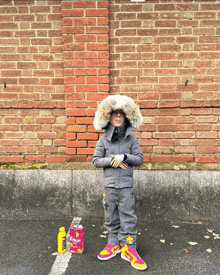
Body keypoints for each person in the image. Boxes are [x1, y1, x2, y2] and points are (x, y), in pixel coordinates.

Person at [92, 95, 147, 271]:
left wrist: (124, 157)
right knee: (111, 217)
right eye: (114, 114)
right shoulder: (103, 140)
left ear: (126, 117)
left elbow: (139, 159)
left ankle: (129, 247)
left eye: (121, 114)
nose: (117, 117)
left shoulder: (131, 140)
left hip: (125, 188)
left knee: (128, 216)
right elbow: (96, 160)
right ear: (108, 117)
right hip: (109, 188)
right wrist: (111, 160)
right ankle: (113, 244)